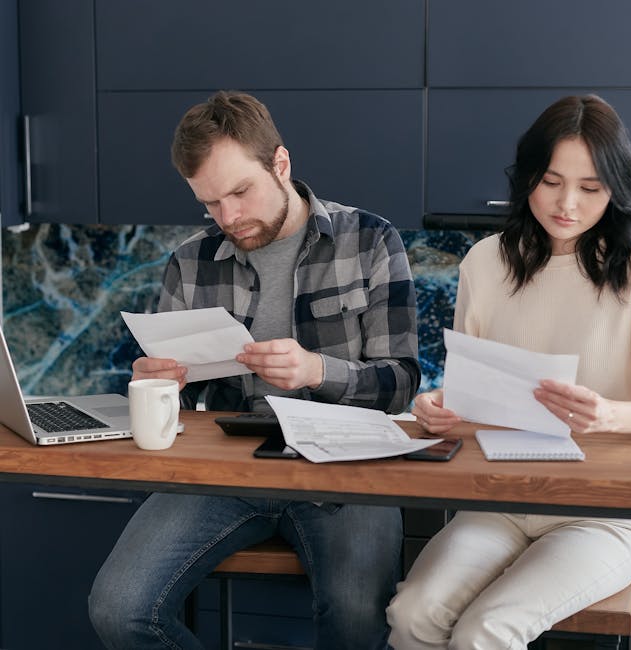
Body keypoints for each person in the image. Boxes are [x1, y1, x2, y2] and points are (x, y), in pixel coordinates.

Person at [89, 90, 420, 650]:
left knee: (357, 620)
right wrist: (158, 380)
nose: (229, 217)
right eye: (210, 203)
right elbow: (175, 396)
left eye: (240, 192)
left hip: (347, 470)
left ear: (281, 164)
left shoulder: (370, 241)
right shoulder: (190, 261)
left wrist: (318, 370)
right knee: (118, 609)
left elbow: (402, 385)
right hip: (226, 469)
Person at [386, 94, 631, 650]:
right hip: (500, 500)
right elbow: (474, 395)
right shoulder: (485, 262)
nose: (567, 204)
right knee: (413, 613)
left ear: (616, 188)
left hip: (603, 512)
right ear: (527, 177)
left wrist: (608, 414)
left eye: (590, 188)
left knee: (485, 631)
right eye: (551, 181)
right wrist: (441, 408)